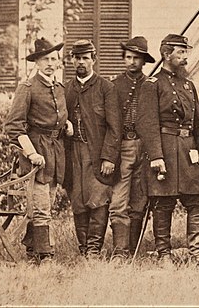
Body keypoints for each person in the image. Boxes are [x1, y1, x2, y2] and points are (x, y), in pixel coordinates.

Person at [137, 34, 199, 265]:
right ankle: (164, 255)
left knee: (197, 200)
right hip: (165, 150)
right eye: (180, 53)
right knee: (163, 202)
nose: (185, 57)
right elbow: (147, 123)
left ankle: (197, 254)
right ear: (166, 55)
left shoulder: (189, 85)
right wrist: (156, 156)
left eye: (186, 52)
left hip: (189, 151)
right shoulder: (151, 85)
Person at [5, 38, 73, 263]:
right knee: (42, 206)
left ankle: (32, 251)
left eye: (54, 59)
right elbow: (14, 125)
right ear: (37, 62)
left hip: (55, 152)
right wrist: (31, 153)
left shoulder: (60, 88)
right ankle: (46, 256)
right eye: (45, 60)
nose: (51, 64)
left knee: (46, 204)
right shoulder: (27, 87)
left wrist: (67, 124)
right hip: (36, 153)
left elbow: (56, 116)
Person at [64, 39, 121, 259]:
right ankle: (83, 248)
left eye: (85, 58)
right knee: (77, 200)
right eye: (77, 58)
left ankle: (94, 250)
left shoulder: (106, 87)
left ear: (93, 60)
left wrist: (109, 158)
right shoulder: (66, 89)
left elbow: (114, 128)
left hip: (96, 154)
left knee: (98, 199)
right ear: (71, 60)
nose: (81, 62)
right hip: (73, 153)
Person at [109, 36, 155, 261]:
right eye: (128, 57)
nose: (132, 62)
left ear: (143, 61)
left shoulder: (151, 85)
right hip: (122, 147)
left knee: (139, 199)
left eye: (136, 58)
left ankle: (132, 252)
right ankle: (119, 251)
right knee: (119, 200)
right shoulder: (113, 85)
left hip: (145, 148)